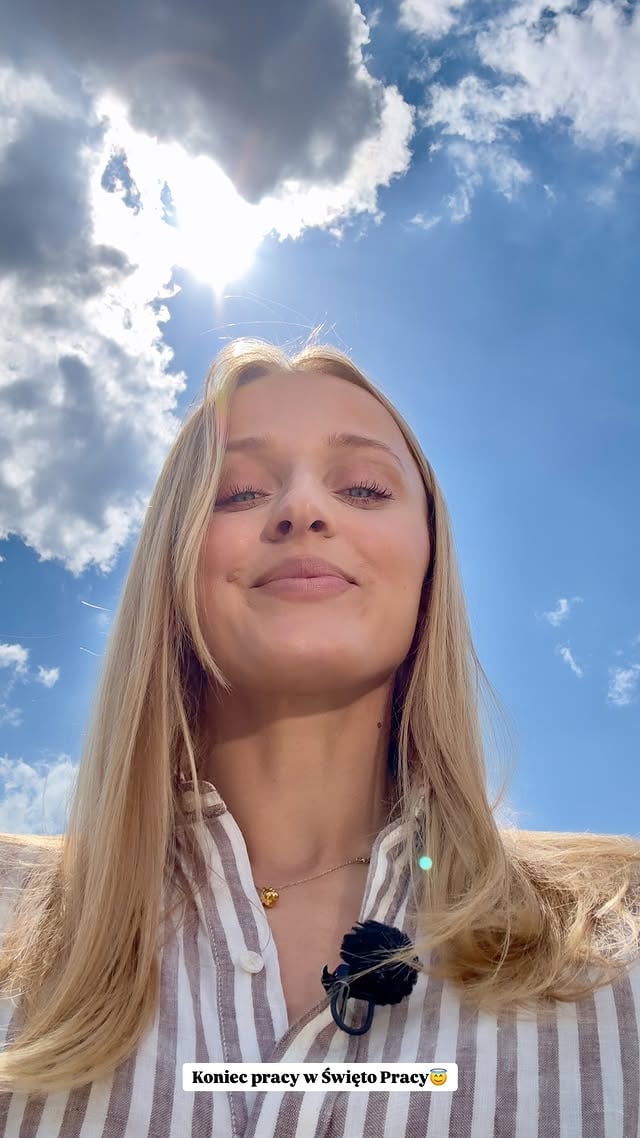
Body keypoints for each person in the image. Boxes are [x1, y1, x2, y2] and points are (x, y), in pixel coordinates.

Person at [1, 334, 639, 1138]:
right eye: (237, 492)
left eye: (365, 488)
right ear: (173, 565)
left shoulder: (618, 941)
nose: (304, 510)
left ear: (429, 564)